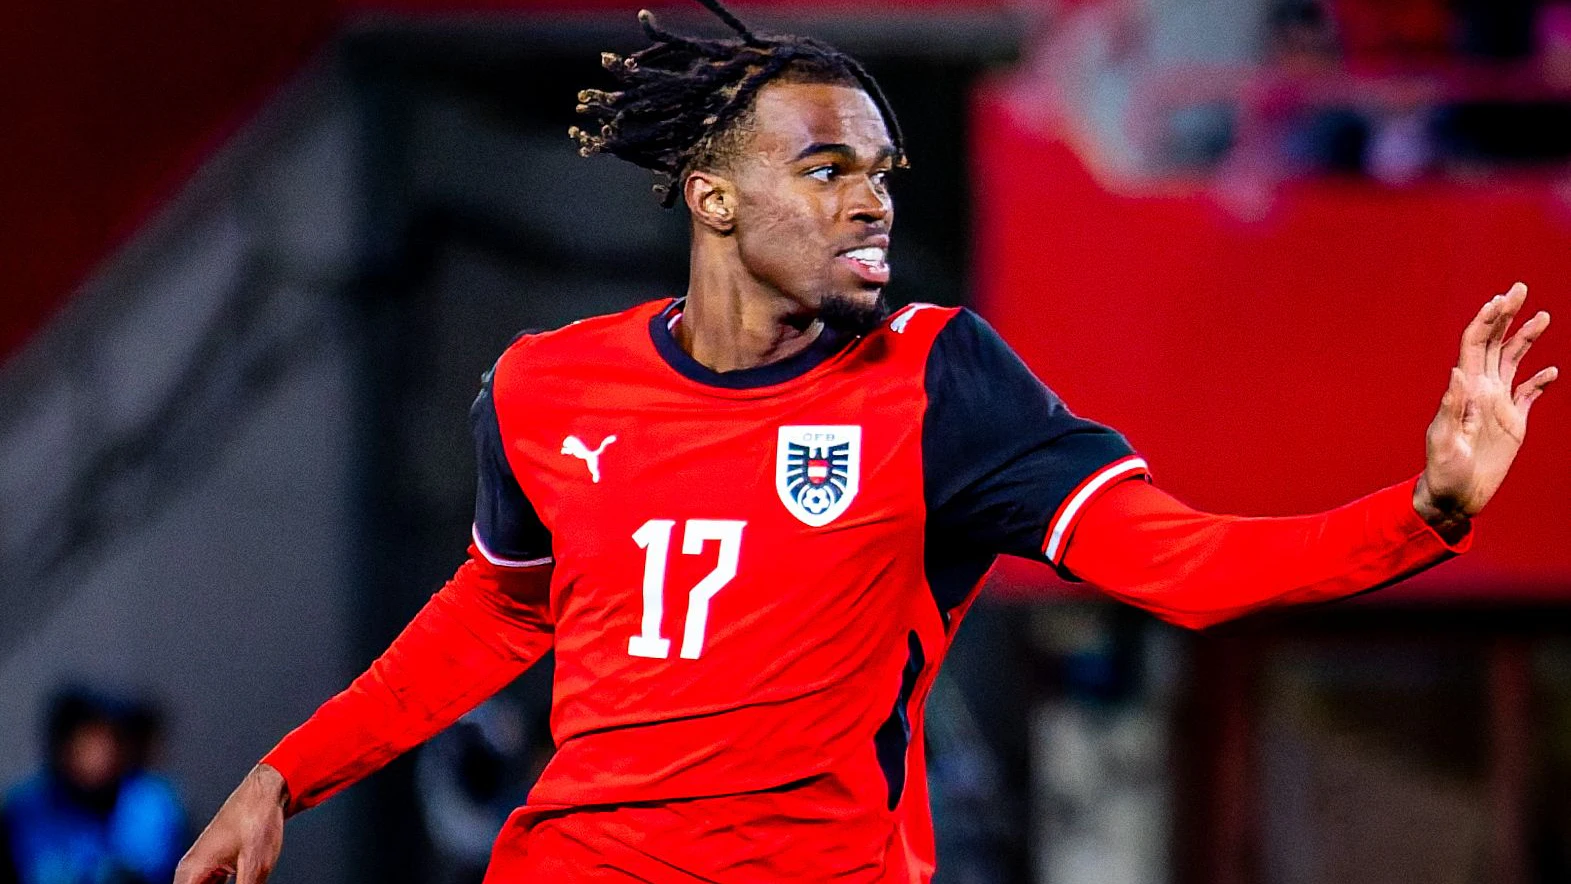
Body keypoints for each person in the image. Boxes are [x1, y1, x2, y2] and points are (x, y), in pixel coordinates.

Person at [175, 1, 1557, 880]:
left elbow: (1181, 566)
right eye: (823, 167)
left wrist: (1422, 512)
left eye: (882, 172)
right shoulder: (545, 386)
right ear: (710, 198)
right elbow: (497, 610)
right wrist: (286, 774)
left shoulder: (939, 380)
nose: (868, 202)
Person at [1, 687, 187, 884]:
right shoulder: (25, 808)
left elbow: (162, 867)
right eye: (90, 740)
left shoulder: (153, 802)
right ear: (64, 743)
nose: (103, 754)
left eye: (113, 739)